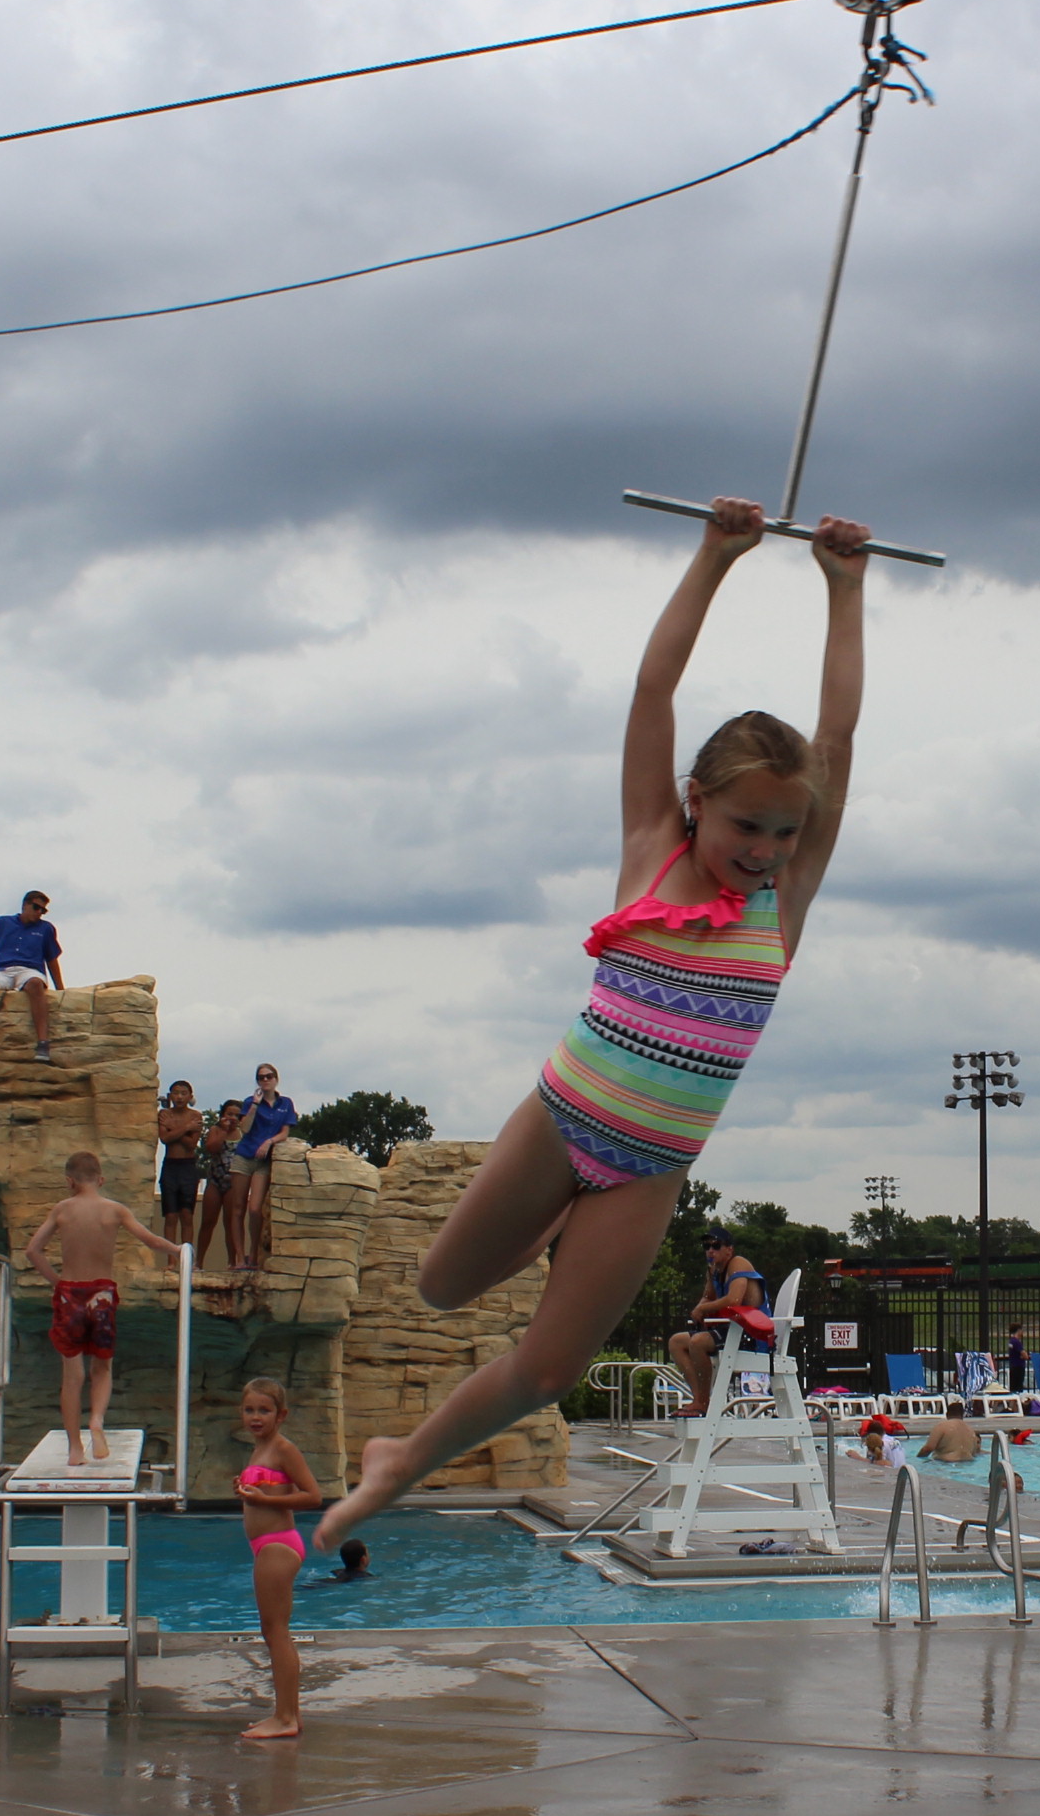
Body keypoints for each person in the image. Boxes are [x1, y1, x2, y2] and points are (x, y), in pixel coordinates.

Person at [313, 497, 869, 1551]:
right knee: (440, 1288)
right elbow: (653, 687)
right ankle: (546, 1226)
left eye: (785, 831)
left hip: (648, 1167)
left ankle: (402, 1461)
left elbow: (834, 735)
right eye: (746, 823)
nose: (764, 847)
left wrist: (845, 588)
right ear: (693, 800)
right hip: (564, 1116)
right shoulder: (650, 845)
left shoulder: (781, 903)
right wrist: (716, 557)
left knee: (550, 1371)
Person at [20, 1151, 188, 1464]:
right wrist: (178, 1250)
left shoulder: (62, 1210)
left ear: (69, 1182)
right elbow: (150, 1240)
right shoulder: (115, 1210)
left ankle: (74, 1449)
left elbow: (33, 1250)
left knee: (72, 1376)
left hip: (70, 1293)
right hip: (102, 1294)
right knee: (103, 1366)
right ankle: (96, 1420)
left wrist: (58, 1282)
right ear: (101, 1180)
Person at [230, 1378, 323, 1741]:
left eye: (264, 1411)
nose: (256, 1417)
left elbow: (313, 1496)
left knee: (276, 1632)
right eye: (250, 1409)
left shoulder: (284, 1448)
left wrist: (266, 1502)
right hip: (266, 1545)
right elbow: (267, 1491)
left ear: (281, 1415)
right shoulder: (259, 1449)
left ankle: (284, 1718)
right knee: (273, 1632)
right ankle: (289, 1715)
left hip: (277, 1546)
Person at [667, 1228, 766, 1412]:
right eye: (707, 1246)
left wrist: (703, 1308)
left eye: (716, 1245)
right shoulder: (713, 1270)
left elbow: (734, 1300)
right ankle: (700, 1398)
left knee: (697, 1342)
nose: (710, 1250)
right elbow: (708, 1296)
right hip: (732, 1330)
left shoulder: (738, 1264)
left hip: (752, 1334)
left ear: (729, 1249)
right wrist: (700, 1307)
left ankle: (702, 1403)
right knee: (676, 1342)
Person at [223, 1065, 302, 1270]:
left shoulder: (285, 1103)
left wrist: (269, 1142)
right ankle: (240, 1257)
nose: (265, 1080)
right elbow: (245, 1128)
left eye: (269, 1076)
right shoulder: (250, 1102)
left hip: (264, 1159)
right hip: (244, 1156)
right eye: (261, 1077)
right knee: (237, 1208)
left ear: (276, 1078)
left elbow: (285, 1132)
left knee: (255, 1208)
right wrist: (255, 1106)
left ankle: (254, 1254)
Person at [0, 889, 63, 1061]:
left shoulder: (46, 929)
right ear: (25, 905)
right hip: (3, 969)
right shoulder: (2, 923)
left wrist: (61, 989)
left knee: (35, 985)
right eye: (36, 907)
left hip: (29, 970)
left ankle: (43, 1042)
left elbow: (52, 959)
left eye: (43, 910)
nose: (39, 913)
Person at [200, 1097, 252, 1268]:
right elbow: (211, 1148)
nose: (232, 1118)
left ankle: (232, 1261)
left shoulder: (244, 1134)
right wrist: (223, 1131)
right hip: (215, 1179)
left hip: (234, 1181)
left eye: (236, 1115)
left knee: (231, 1222)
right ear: (222, 1114)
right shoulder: (215, 1129)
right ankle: (198, 1261)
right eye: (229, 1114)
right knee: (208, 1221)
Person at [156, 1081, 208, 1251]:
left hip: (187, 1166)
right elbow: (165, 1138)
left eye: (183, 1093)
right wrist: (185, 1128)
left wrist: (175, 1128)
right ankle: (171, 1259)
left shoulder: (195, 1116)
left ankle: (187, 1258)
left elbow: (191, 1144)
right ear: (170, 1095)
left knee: (187, 1215)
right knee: (170, 1216)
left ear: (190, 1096)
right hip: (170, 1165)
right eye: (176, 1093)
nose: (179, 1097)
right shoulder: (164, 1114)